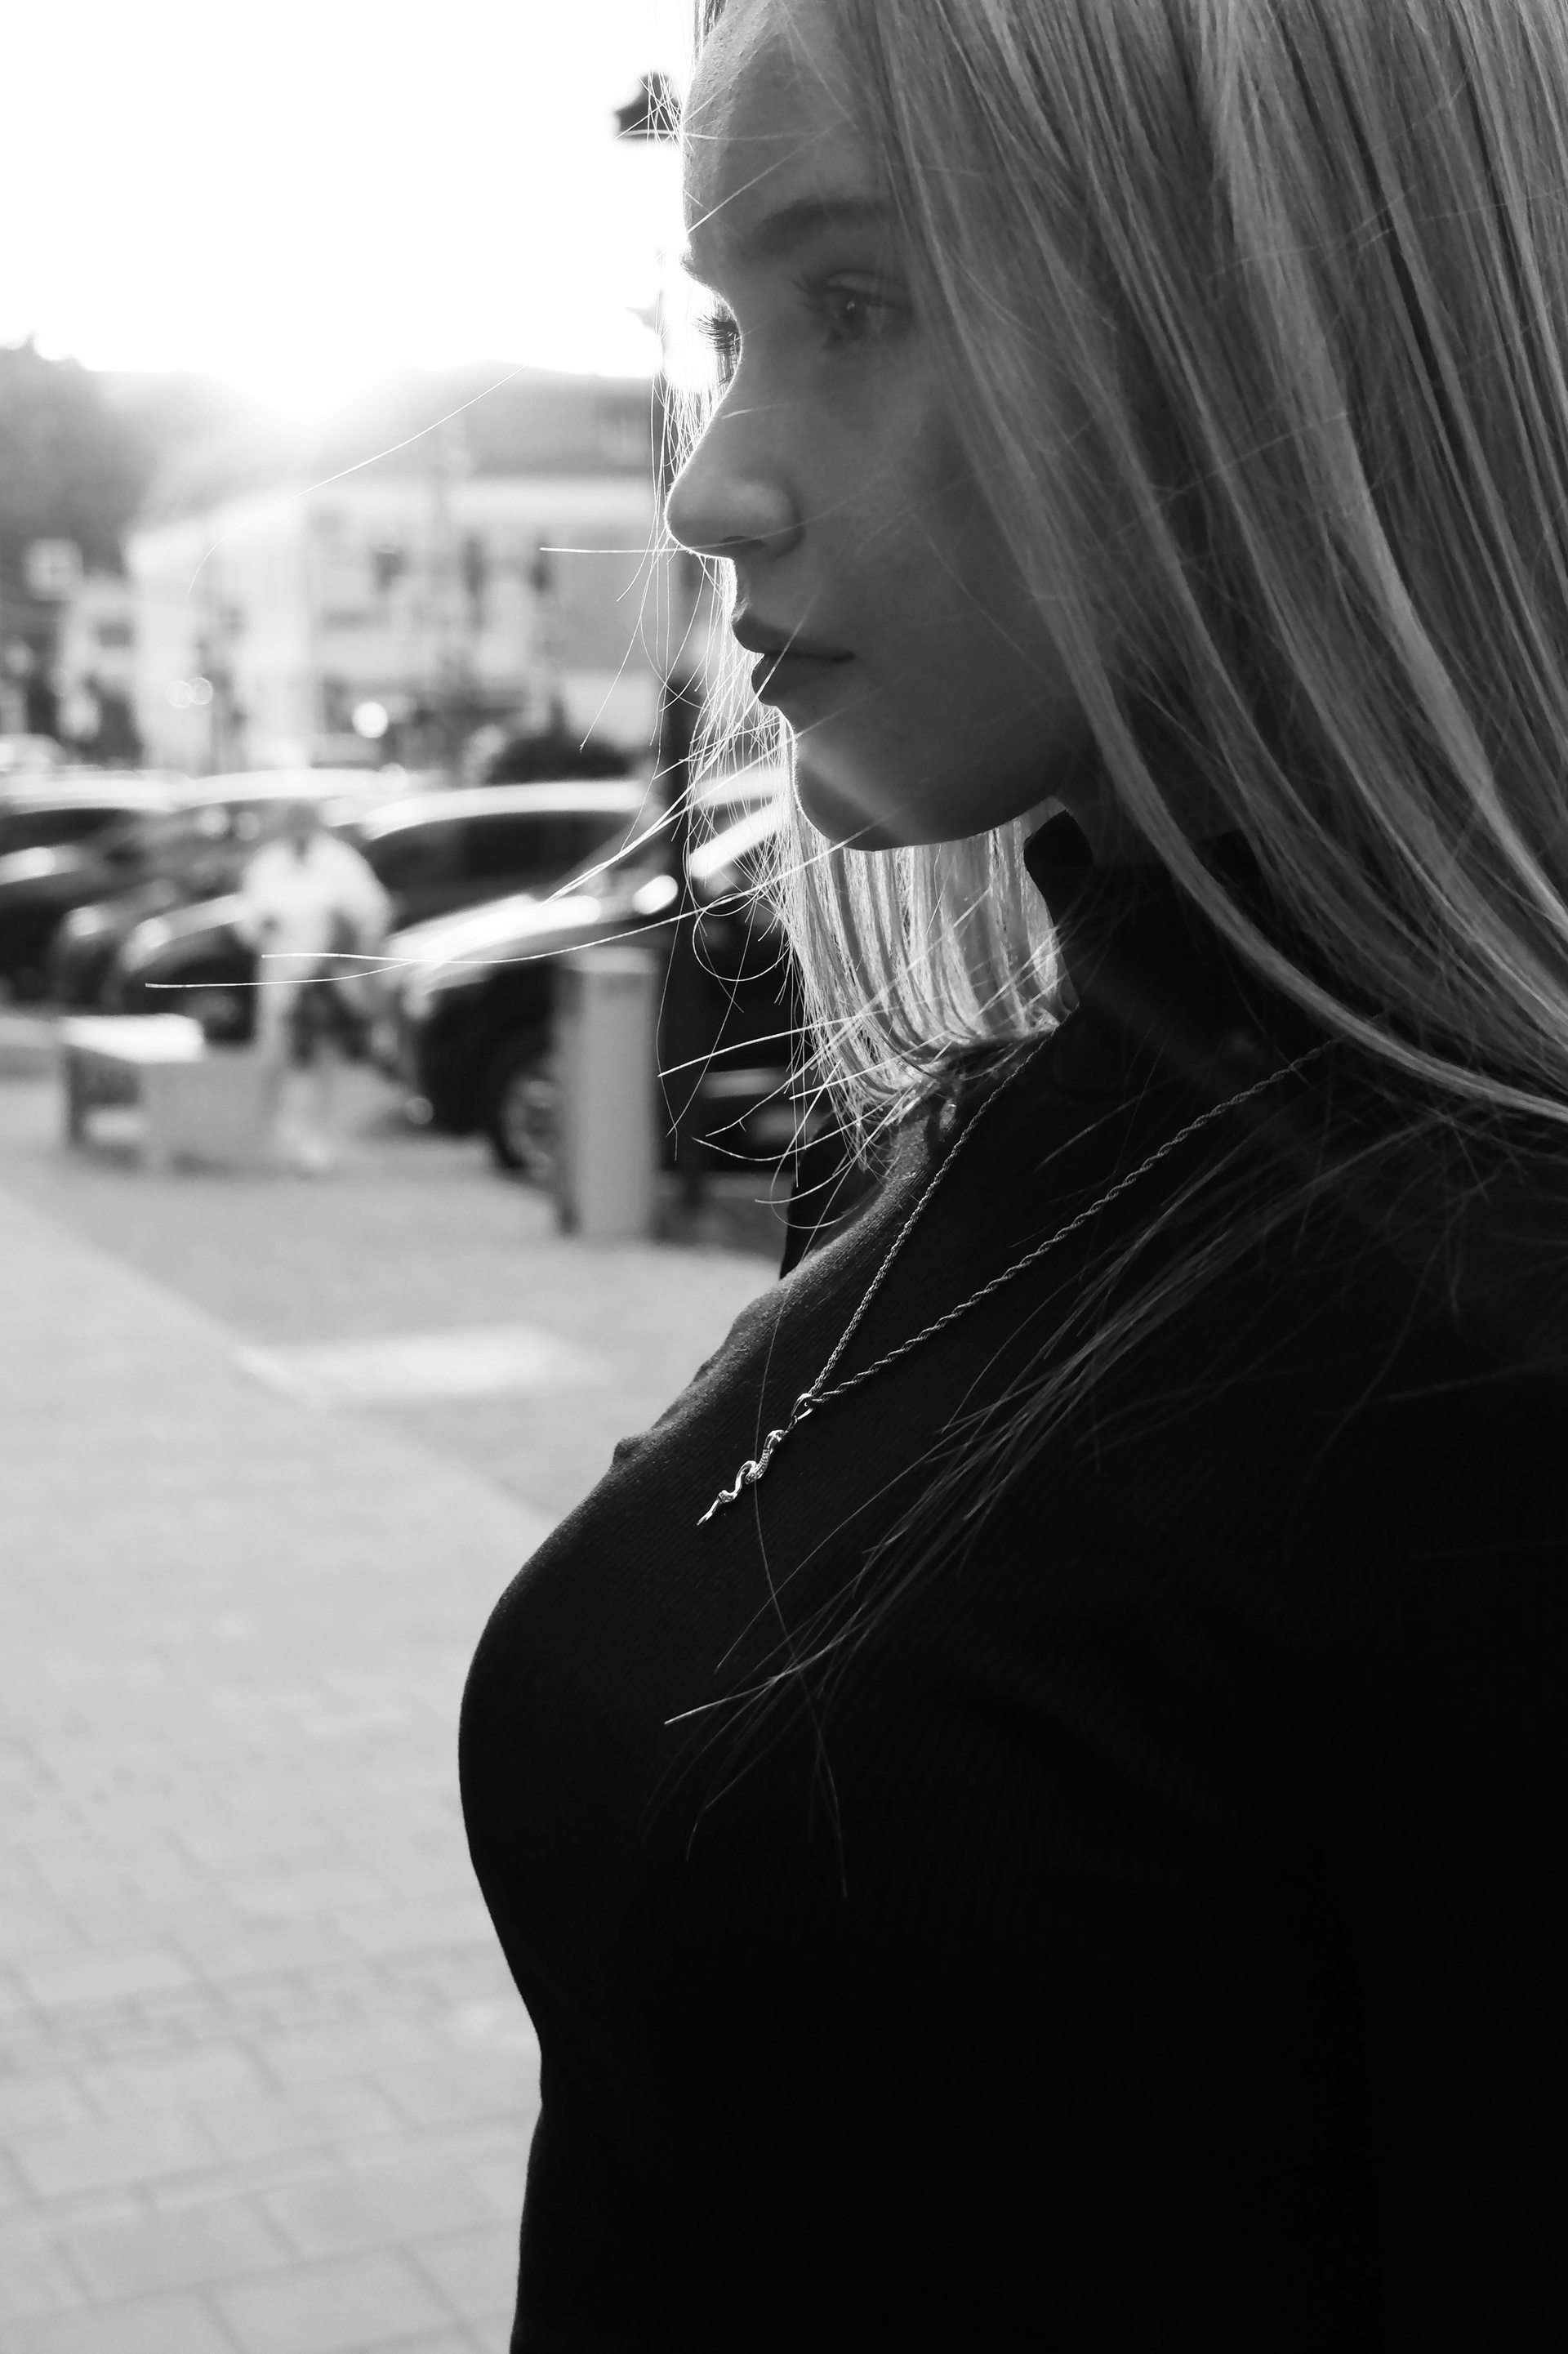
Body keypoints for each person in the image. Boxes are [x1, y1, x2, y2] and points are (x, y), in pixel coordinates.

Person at [459, 2, 1568, 2342]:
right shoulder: (1036, 1112)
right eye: (728, 330)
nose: (708, 489)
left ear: (1288, 322)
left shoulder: (1479, 1354)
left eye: (858, 301)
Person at [234, 797, 390, 1174]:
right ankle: (266, 1137)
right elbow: (245, 916)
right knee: (273, 1055)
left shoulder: (341, 863)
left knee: (323, 1058)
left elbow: (374, 911)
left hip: (324, 978)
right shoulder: (268, 864)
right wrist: (260, 926)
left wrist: (349, 940)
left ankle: (317, 1142)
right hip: (280, 977)